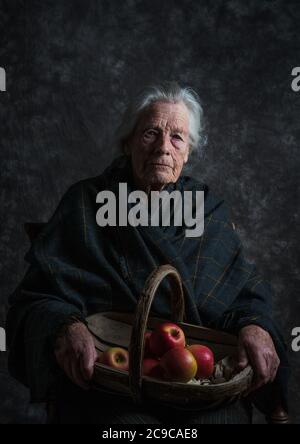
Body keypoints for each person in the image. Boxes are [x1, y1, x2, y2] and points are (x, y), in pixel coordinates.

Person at [6, 82, 288, 424]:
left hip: (202, 381)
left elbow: (244, 293)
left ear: (187, 153)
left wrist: (255, 326)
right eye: (151, 133)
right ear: (127, 143)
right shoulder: (85, 202)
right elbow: (36, 297)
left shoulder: (208, 210)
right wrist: (65, 327)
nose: (162, 148)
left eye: (177, 138)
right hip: (110, 378)